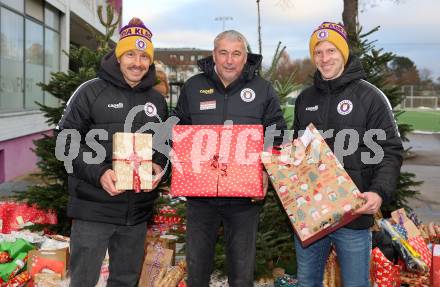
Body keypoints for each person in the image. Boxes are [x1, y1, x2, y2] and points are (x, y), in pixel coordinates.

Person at [56, 18, 168, 287]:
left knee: (125, 281)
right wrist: (100, 173)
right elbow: (65, 142)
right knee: (83, 281)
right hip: (94, 209)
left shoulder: (157, 101)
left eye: (144, 56)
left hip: (136, 214)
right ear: (119, 56)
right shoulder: (90, 91)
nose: (137, 62)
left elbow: (166, 147)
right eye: (130, 53)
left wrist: (159, 167)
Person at [291, 22, 403, 286]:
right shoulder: (304, 99)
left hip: (354, 214)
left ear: (343, 54)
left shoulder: (370, 97)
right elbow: (299, 152)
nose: (324, 58)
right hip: (312, 216)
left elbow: (391, 150)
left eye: (331, 51)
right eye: (318, 53)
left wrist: (378, 192)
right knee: (307, 281)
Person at [172, 30, 286, 286]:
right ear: (214, 55)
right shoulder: (193, 86)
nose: (229, 60)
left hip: (244, 198)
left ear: (246, 57)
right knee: (197, 267)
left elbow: (276, 134)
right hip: (200, 197)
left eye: (236, 53)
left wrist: (266, 170)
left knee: (242, 270)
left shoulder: (262, 89)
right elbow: (177, 129)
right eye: (223, 53)